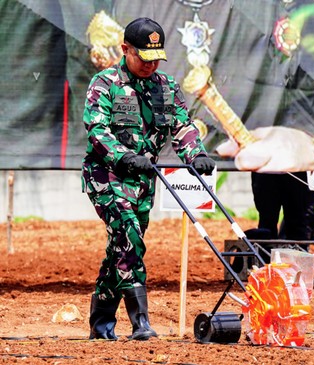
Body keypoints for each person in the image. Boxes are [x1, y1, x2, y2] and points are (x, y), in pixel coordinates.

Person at [81, 17, 215, 341]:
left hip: (144, 181)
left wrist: (196, 153)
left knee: (122, 248)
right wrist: (123, 156)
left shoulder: (166, 87)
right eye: (143, 56)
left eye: (156, 57)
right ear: (125, 49)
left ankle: (100, 325)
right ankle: (141, 324)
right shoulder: (105, 83)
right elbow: (97, 129)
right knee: (128, 235)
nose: (150, 64)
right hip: (107, 175)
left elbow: (183, 126)